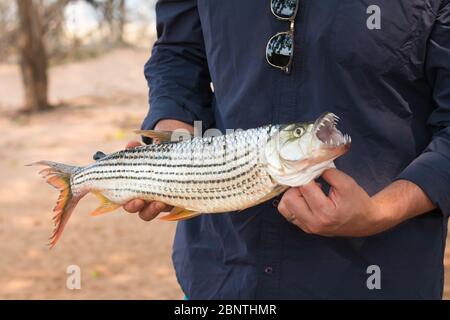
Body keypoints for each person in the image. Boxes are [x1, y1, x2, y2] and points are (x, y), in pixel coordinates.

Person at [124, 0, 450, 299]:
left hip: (376, 278)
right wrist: (173, 144)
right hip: (220, 275)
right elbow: (178, 56)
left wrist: (379, 213)